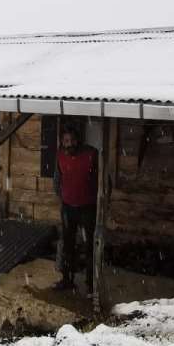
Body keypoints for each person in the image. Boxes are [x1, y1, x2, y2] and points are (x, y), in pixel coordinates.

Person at [52, 124, 98, 292]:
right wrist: (62, 196)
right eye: (65, 141)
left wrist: (96, 199)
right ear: (62, 142)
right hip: (68, 207)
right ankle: (67, 279)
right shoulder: (59, 155)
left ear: (78, 140)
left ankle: (91, 284)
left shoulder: (91, 154)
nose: (69, 143)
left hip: (87, 207)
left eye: (72, 140)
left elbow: (100, 180)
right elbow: (57, 179)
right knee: (67, 244)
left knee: (90, 246)